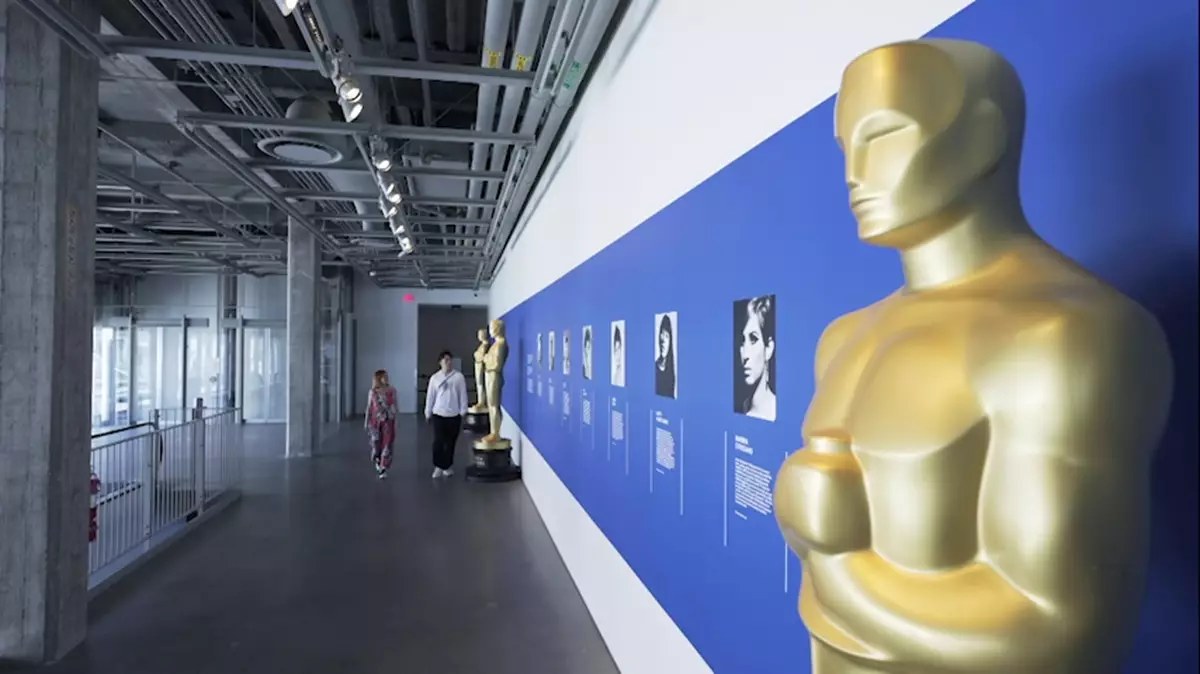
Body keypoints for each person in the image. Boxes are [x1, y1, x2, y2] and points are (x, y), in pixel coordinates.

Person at [424, 350, 468, 478]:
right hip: (439, 414)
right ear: (440, 362)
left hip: (454, 415)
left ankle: (447, 465)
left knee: (450, 442)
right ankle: (438, 465)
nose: (448, 362)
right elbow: (430, 396)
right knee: (438, 441)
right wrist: (428, 412)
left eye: (450, 360)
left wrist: (463, 410)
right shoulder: (435, 378)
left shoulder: (458, 377)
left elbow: (463, 394)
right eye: (446, 360)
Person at [738, 296, 776, 421]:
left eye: (753, 339)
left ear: (768, 348)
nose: (745, 355)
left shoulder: (774, 411)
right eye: (742, 341)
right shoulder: (743, 408)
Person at [364, 370, 398, 479]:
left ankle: (383, 467)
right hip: (375, 422)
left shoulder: (392, 390)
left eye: (387, 376)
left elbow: (395, 405)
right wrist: (366, 421)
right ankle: (377, 459)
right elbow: (369, 407)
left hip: (388, 421)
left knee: (387, 444)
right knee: (376, 444)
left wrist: (396, 419)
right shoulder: (373, 392)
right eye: (384, 377)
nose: (386, 379)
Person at [655, 314, 677, 398]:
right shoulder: (654, 367)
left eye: (667, 336)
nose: (663, 341)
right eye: (662, 335)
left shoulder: (672, 371)